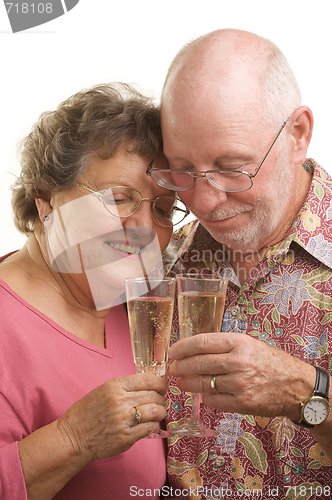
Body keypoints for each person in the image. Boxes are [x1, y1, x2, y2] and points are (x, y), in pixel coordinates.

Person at [149, 29, 332, 499]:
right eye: (183, 170)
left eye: (233, 167)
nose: (205, 203)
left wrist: (308, 394)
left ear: (298, 135)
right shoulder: (162, 260)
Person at [0, 83, 189, 500]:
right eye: (119, 199)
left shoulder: (139, 304)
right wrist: (74, 438)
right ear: (48, 202)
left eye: (161, 209)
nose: (143, 230)